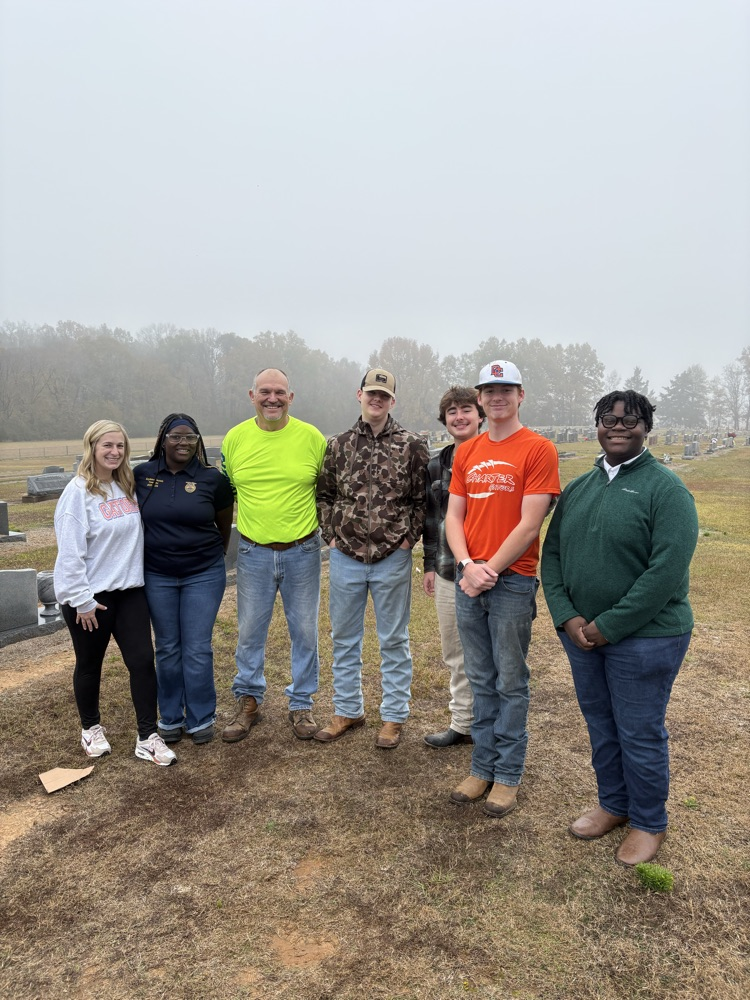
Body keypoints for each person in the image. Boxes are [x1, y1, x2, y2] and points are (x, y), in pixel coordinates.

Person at [541, 390, 698, 866]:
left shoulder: (666, 490)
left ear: (645, 427)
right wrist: (567, 616)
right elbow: (552, 557)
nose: (617, 427)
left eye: (629, 420)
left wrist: (609, 625)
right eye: (608, 419)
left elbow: (665, 572)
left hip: (647, 638)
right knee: (602, 725)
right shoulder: (580, 489)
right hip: (582, 638)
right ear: (598, 426)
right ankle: (614, 804)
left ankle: (649, 821)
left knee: (638, 731)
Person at [445, 360, 560, 816]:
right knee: (480, 677)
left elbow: (531, 522)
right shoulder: (467, 452)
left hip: (511, 581)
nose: (497, 398)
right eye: (489, 390)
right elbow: (454, 516)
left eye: (506, 389)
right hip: (470, 578)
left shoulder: (538, 449)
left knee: (511, 679)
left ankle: (508, 773)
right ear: (480, 398)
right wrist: (466, 566)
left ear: (520, 395)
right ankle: (482, 766)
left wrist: (487, 569)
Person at [315, 368, 430, 749]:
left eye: (384, 395)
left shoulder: (412, 445)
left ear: (392, 401)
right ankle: (347, 709)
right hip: (346, 555)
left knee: (393, 639)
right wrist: (330, 535)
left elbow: (420, 501)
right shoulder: (339, 444)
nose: (376, 400)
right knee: (344, 638)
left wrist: (406, 539)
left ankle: (393, 717)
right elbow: (325, 494)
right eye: (371, 393)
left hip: (391, 557)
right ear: (359, 395)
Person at [53, 420, 176, 766]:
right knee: (90, 664)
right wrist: (82, 600)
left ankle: (147, 736)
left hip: (129, 592)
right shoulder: (77, 493)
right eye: (107, 445)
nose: (114, 452)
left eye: (120, 446)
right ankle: (91, 728)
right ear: (91, 446)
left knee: (142, 662)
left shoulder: (126, 487)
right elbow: (70, 553)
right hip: (91, 600)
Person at [220, 368, 327, 742]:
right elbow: (227, 492)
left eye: (279, 392)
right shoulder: (235, 439)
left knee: (305, 632)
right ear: (252, 395)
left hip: (303, 550)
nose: (272, 399)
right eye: (264, 392)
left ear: (291, 397)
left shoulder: (311, 438)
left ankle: (301, 703)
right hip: (253, 552)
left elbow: (326, 491)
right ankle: (248, 699)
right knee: (250, 631)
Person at [134, 413, 234, 745]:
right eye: (176, 437)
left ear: (198, 442)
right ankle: (172, 716)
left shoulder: (212, 479)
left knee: (196, 648)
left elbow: (223, 526)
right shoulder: (142, 475)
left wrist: (209, 556)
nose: (183, 444)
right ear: (162, 439)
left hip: (203, 574)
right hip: (157, 574)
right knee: (167, 647)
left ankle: (201, 717)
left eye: (190, 438)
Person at [422, 387, 484, 748]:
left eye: (466, 410)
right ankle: (463, 722)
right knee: (455, 652)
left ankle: (489, 725)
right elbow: (433, 519)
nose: (459, 417)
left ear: (480, 415)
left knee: (489, 653)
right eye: (451, 412)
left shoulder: (496, 456)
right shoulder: (437, 463)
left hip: (492, 570)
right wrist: (430, 564)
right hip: (448, 570)